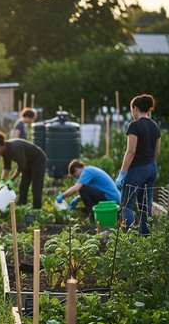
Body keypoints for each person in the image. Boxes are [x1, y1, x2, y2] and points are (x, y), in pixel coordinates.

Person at [115, 94, 160, 235]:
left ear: (135, 108)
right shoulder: (155, 126)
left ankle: (125, 240)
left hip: (137, 171)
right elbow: (157, 151)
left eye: (131, 110)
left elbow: (131, 152)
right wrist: (149, 165)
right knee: (145, 206)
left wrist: (122, 173)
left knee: (126, 206)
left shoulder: (134, 126)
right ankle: (145, 238)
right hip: (152, 168)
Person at [0, 131, 46, 208]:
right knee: (23, 186)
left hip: (38, 160)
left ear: (0, 146)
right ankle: (22, 206)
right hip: (27, 163)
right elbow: (6, 167)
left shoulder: (13, 148)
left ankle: (37, 209)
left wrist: (11, 180)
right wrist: (2, 180)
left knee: (36, 187)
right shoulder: (4, 152)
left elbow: (21, 166)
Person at [56, 159, 120, 217]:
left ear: (76, 169)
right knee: (83, 189)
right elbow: (93, 192)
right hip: (113, 198)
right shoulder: (90, 170)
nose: (77, 178)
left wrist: (62, 196)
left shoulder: (86, 171)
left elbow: (76, 188)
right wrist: (78, 198)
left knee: (82, 189)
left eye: (75, 176)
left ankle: (91, 215)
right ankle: (91, 212)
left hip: (112, 199)